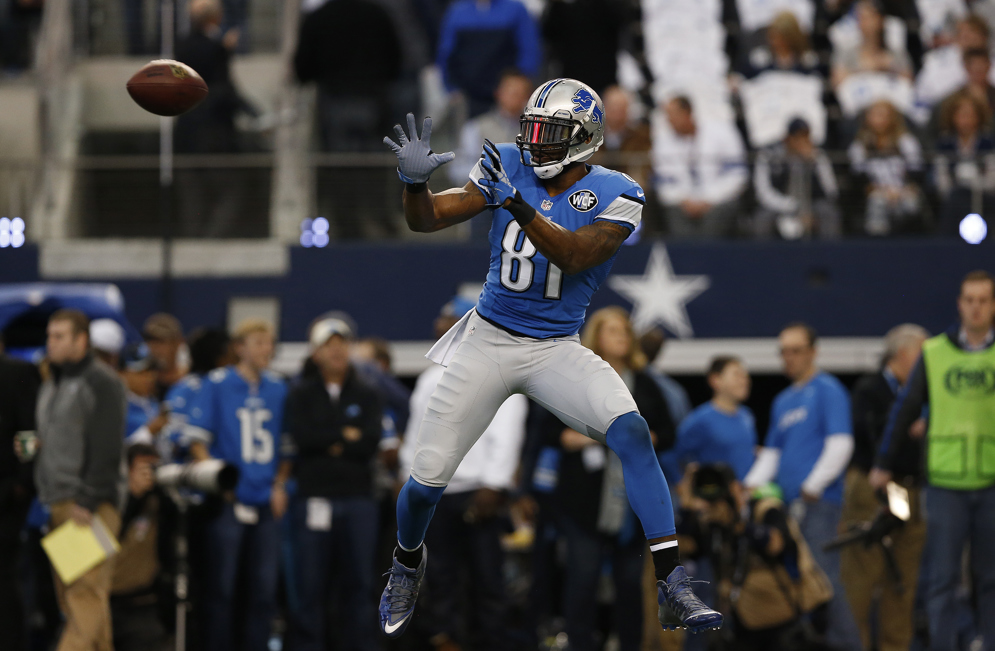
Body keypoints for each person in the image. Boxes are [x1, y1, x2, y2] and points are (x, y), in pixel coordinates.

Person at [380, 78, 721, 638]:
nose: (535, 143)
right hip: (488, 340)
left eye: (550, 133)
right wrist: (415, 186)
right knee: (425, 482)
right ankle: (406, 563)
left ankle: (671, 584)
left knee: (633, 433)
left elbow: (576, 253)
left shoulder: (619, 191)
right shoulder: (508, 162)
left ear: (584, 139)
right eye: (532, 130)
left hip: (555, 347)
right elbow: (429, 218)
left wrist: (514, 201)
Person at [872, 270, 995, 651]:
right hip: (944, 485)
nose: (976, 307)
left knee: (990, 580)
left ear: (992, 305)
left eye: (984, 300)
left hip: (991, 482)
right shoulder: (934, 352)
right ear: (960, 304)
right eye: (969, 300)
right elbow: (904, 410)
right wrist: (883, 462)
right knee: (941, 581)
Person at [398, 297, 528, 651]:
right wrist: (408, 478)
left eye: (450, 320)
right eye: (443, 319)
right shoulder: (429, 378)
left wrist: (494, 483)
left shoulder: (500, 370)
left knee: (488, 578)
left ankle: (493, 642)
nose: (442, 326)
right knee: (441, 577)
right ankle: (447, 640)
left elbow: (508, 431)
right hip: (436, 494)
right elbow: (416, 435)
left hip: (478, 491)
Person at [545, 306, 675, 651]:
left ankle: (630, 645)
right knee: (582, 581)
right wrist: (610, 437)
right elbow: (549, 431)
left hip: (633, 507)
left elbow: (667, 431)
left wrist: (637, 440)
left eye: (624, 330)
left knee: (631, 585)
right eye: (612, 329)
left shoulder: (645, 383)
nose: (621, 335)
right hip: (581, 502)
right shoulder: (575, 379)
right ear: (595, 337)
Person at [744, 322, 860, 651]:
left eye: (795, 350)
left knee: (824, 580)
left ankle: (848, 644)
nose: (788, 357)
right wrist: (749, 486)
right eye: (784, 351)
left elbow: (841, 444)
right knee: (798, 583)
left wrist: (814, 485)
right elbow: (772, 454)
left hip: (819, 504)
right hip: (788, 508)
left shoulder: (828, 389)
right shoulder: (783, 401)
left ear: (812, 352)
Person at [187, 318, 291, 651]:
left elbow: (288, 446)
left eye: (270, 342)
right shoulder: (217, 384)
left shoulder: (278, 388)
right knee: (221, 589)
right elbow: (197, 440)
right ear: (240, 347)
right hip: (230, 500)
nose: (266, 349)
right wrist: (217, 479)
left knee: (263, 591)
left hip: (264, 498)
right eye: (259, 341)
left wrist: (279, 484)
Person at [284, 316, 384, 651]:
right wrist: (342, 436)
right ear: (315, 353)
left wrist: (329, 440)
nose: (337, 350)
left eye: (342, 342)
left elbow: (369, 442)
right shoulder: (300, 393)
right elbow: (303, 439)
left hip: (358, 500)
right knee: (310, 586)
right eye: (329, 344)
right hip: (314, 497)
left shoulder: (367, 392)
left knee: (359, 584)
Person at [34, 309, 126, 651]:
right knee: (84, 600)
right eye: (49, 335)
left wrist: (88, 500)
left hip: (86, 506)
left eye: (59, 336)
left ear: (81, 340)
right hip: (59, 503)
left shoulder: (100, 382)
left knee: (83, 596)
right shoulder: (54, 382)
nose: (50, 343)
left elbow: (106, 447)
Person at [841, 324, 929, 651]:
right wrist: (909, 431)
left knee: (903, 580)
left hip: (910, 490)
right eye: (922, 355)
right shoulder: (870, 389)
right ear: (903, 354)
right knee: (862, 576)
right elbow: (873, 434)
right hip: (872, 488)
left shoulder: (923, 396)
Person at [175, 0, 260, 238]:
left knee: (192, 200)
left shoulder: (181, 46)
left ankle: (193, 249)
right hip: (213, 135)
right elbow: (224, 89)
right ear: (215, 19)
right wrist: (255, 115)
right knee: (232, 192)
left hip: (185, 135)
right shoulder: (215, 49)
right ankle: (210, 243)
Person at [655, 96, 748, 239]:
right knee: (673, 213)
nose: (669, 120)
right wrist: (685, 200)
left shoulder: (722, 132)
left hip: (718, 200)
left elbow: (737, 175)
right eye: (667, 115)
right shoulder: (663, 142)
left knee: (719, 216)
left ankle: (708, 258)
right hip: (682, 204)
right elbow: (664, 184)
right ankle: (684, 259)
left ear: (688, 113)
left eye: (673, 114)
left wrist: (709, 199)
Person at [110, 443, 173, 651]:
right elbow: (112, 535)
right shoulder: (106, 499)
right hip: (103, 603)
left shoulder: (159, 503)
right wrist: (132, 496)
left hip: (142, 605)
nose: (150, 475)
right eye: (143, 469)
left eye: (154, 468)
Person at [0, 333, 41, 650]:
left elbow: (29, 431)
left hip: (7, 497)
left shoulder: (18, 372)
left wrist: (21, 483)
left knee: (5, 578)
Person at [436, 0, 541, 118]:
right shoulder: (458, 11)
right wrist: (451, 87)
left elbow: (529, 49)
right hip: (469, 94)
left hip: (506, 93)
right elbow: (446, 54)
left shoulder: (515, 10)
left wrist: (520, 85)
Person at [753, 117, 841, 240]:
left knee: (829, 213)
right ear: (787, 138)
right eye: (797, 137)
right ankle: (762, 257)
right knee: (762, 219)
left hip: (812, 205)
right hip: (778, 204)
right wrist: (791, 206)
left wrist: (812, 163)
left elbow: (831, 190)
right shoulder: (769, 155)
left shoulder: (818, 156)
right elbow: (763, 192)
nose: (801, 142)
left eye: (805, 137)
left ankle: (829, 255)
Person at [848, 100, 926, 235]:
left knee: (910, 204)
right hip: (876, 192)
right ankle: (878, 246)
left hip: (903, 191)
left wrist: (902, 191)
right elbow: (859, 178)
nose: (879, 120)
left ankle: (910, 243)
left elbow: (917, 172)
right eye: (875, 115)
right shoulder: (860, 145)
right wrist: (882, 192)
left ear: (892, 118)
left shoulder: (906, 141)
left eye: (883, 115)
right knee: (877, 202)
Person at [673, 356, 757, 481]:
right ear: (715, 380)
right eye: (737, 375)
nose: (744, 381)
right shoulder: (699, 420)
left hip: (745, 496)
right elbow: (673, 456)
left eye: (745, 376)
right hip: (715, 496)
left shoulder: (747, 416)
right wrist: (684, 491)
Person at [450, 70, 533, 186]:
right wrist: (489, 174)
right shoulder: (475, 127)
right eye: (511, 92)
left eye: (521, 93)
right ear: (498, 93)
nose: (516, 97)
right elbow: (458, 170)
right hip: (486, 197)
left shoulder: (536, 130)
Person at [933, 90, 995, 235]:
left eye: (970, 115)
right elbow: (941, 180)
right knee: (955, 201)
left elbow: (992, 178)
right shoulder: (945, 144)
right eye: (961, 115)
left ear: (978, 117)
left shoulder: (988, 143)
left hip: (984, 195)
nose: (966, 120)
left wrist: (974, 185)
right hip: (955, 197)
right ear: (953, 117)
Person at [831, 0, 913, 90]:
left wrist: (889, 68)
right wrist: (868, 69)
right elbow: (837, 82)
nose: (867, 24)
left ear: (881, 20)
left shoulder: (896, 53)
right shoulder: (847, 53)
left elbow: (909, 81)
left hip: (890, 98)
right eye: (862, 19)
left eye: (871, 18)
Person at [142, 313, 187, 396]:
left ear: (177, 344)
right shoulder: (140, 383)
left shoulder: (189, 382)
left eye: (161, 342)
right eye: (150, 342)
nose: (154, 348)